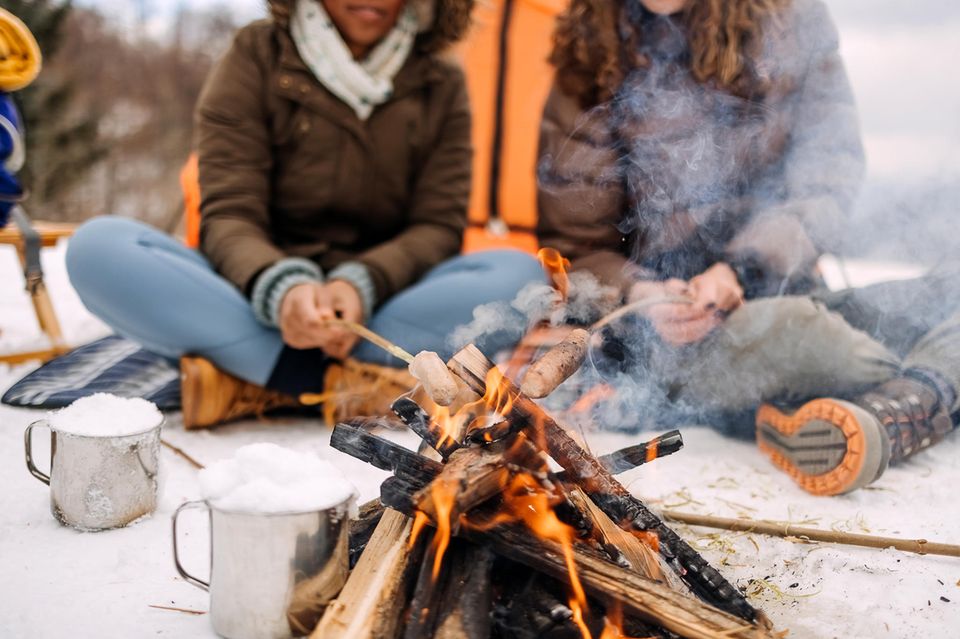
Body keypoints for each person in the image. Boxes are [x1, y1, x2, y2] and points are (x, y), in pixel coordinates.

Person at [537, 0, 959, 495]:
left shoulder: (792, 20)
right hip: (667, 337)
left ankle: (892, 403)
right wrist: (642, 294)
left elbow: (825, 178)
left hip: (780, 281)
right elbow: (575, 247)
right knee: (824, 344)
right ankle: (921, 390)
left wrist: (744, 268)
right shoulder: (589, 46)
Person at [66, 0, 544, 428]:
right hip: (253, 300)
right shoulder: (256, 53)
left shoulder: (440, 80)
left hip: (381, 307)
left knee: (522, 276)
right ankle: (343, 384)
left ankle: (258, 377)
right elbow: (229, 212)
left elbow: (437, 226)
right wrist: (282, 286)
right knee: (98, 248)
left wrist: (362, 283)